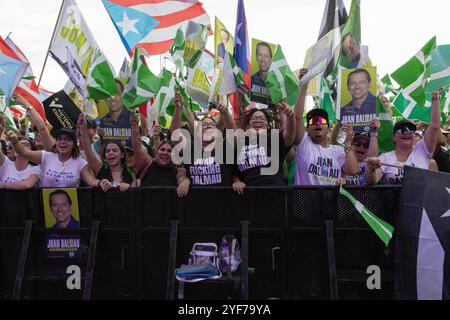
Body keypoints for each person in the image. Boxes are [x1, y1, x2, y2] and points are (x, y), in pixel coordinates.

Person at [294, 68, 359, 186]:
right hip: (306, 203)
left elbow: (352, 170)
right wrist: (304, 85)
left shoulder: (338, 151)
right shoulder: (303, 144)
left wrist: (348, 143)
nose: (318, 123)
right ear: (307, 129)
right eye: (313, 121)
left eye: (322, 121)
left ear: (329, 128)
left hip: (331, 203)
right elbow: (297, 117)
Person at [365, 90, 442, 185]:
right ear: (394, 137)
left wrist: (435, 100)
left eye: (410, 130)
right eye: (401, 130)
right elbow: (371, 181)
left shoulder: (422, 151)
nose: (406, 132)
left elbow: (434, 127)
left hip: (419, 199)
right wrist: (371, 170)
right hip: (394, 200)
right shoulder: (386, 158)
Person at [171, 92, 236, 188]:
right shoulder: (190, 148)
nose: (208, 127)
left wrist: (226, 113)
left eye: (212, 125)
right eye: (204, 125)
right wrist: (178, 108)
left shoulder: (224, 147)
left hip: (223, 201)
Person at [7, 127, 101, 188]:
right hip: (46, 209)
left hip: (69, 209)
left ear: (74, 145)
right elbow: (23, 152)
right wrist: (15, 141)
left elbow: (91, 181)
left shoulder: (81, 163)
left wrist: (101, 183)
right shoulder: (46, 156)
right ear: (56, 143)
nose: (62, 142)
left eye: (67, 139)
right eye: (59, 139)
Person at [233, 103, 295, 190]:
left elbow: (290, 134)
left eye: (262, 119)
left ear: (267, 125)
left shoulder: (274, 138)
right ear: (248, 125)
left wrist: (290, 116)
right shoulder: (239, 144)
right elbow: (234, 170)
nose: (258, 121)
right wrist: (236, 181)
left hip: (274, 194)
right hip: (249, 196)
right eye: (254, 119)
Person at [131, 110, 190, 197]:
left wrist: (186, 182)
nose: (165, 152)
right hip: (147, 209)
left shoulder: (179, 170)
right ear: (157, 152)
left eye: (169, 151)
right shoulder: (148, 164)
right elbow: (137, 147)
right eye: (162, 149)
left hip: (169, 209)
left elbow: (182, 178)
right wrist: (134, 126)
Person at [78, 114, 135, 192]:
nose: (110, 153)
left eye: (114, 150)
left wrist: (130, 186)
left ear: (122, 155)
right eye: (107, 151)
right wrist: (83, 128)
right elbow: (88, 150)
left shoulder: (130, 173)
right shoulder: (100, 170)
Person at [0, 117, 41, 190]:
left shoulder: (36, 169)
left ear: (32, 151)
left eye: (26, 145)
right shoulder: (6, 164)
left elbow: (27, 185)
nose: (21, 147)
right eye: (19, 145)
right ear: (13, 150)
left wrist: (4, 185)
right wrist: (1, 129)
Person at [99, 80, 132, 147]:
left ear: (123, 96)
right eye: (109, 94)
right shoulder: (101, 123)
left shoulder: (133, 120)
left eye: (117, 94)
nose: (113, 98)